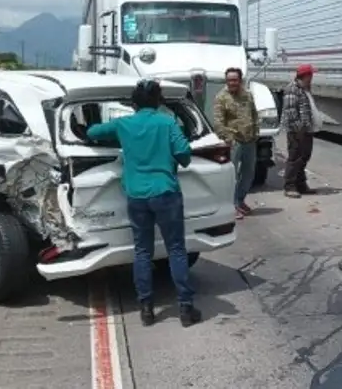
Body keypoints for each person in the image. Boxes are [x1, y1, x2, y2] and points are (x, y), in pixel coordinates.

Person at [83, 79, 203, 328]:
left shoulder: (124, 124)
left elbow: (92, 133)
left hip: (137, 195)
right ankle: (185, 308)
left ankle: (146, 308)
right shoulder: (167, 123)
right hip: (166, 193)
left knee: (142, 251)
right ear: (159, 102)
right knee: (177, 250)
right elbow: (185, 156)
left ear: (134, 103)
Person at [212, 67, 259, 220]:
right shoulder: (221, 97)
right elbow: (218, 123)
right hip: (234, 142)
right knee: (231, 176)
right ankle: (232, 205)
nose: (232, 83)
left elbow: (254, 114)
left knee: (248, 173)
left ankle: (240, 200)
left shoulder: (247, 95)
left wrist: (256, 132)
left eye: (235, 80)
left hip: (249, 141)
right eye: (229, 80)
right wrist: (228, 138)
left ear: (240, 80)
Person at [281, 64, 319, 198]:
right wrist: (299, 130)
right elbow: (291, 112)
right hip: (296, 131)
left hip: (306, 129)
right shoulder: (292, 89)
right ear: (305, 76)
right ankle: (289, 186)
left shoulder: (305, 89)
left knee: (304, 157)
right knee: (295, 158)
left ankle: (301, 184)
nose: (312, 78)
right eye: (311, 75)